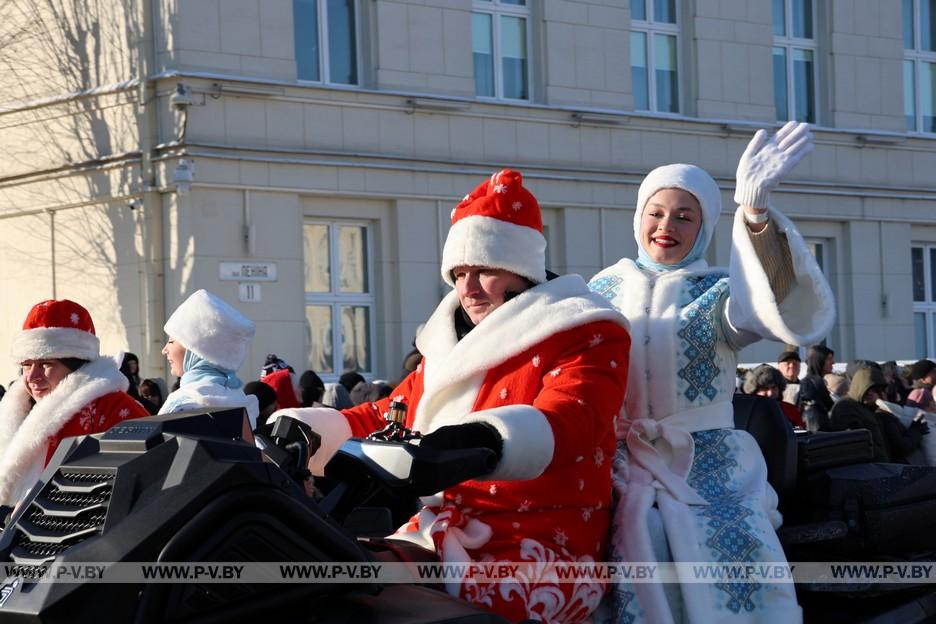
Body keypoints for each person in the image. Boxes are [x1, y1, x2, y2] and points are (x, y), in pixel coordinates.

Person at [277, 169, 631, 623]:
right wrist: (319, 427)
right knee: (333, 580)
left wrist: (487, 440)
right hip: (443, 531)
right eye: (459, 273)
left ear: (521, 270)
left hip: (543, 538)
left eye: (484, 270)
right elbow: (394, 412)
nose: (468, 288)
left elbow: (573, 419)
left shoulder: (584, 331)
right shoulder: (448, 344)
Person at [588, 121, 834, 623]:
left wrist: (758, 217)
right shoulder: (602, 288)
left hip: (708, 461)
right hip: (616, 461)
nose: (667, 225)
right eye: (656, 212)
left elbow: (772, 305)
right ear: (638, 218)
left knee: (727, 555)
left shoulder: (720, 290)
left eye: (684, 215)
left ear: (705, 227)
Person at [0, 300, 149, 509]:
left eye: (46, 364)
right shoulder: (20, 411)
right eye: (26, 365)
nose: (32, 376)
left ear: (76, 366)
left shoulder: (112, 408)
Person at [159, 289, 259, 429]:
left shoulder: (184, 402)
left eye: (171, 341)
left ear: (194, 350)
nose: (164, 350)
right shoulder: (237, 395)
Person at [830, 367, 928, 464]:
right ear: (858, 387)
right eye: (866, 389)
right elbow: (857, 444)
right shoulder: (846, 407)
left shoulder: (867, 409)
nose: (870, 393)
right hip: (866, 470)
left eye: (875, 389)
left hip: (878, 469)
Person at [744, 364, 804, 429]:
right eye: (765, 388)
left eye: (774, 387)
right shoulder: (746, 412)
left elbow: (802, 433)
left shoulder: (790, 410)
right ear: (754, 390)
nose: (770, 393)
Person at [799, 344, 835, 432]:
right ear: (819, 361)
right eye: (829, 359)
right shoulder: (809, 384)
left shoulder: (818, 382)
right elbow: (812, 418)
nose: (833, 362)